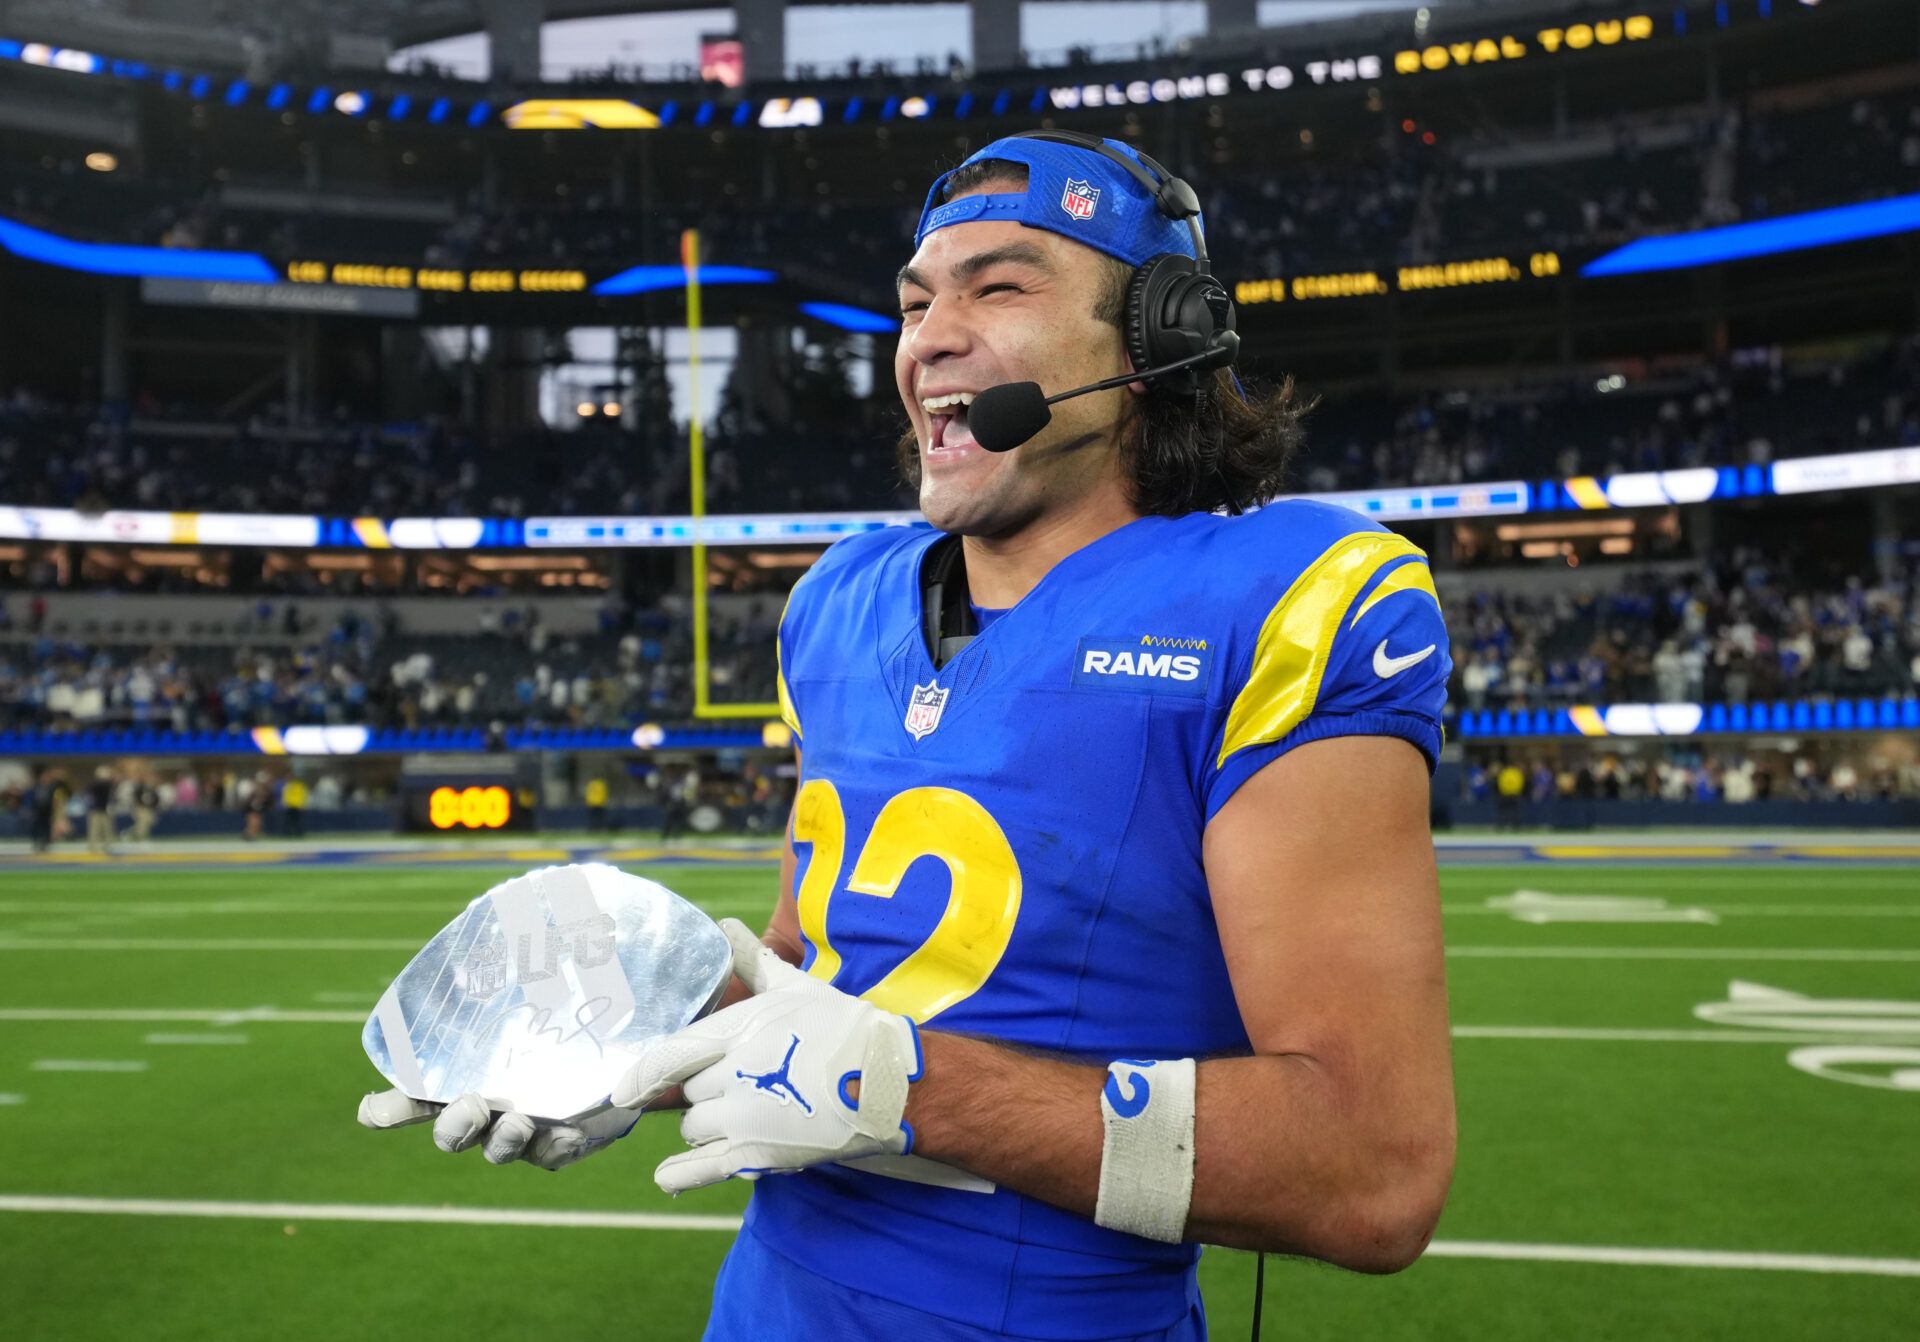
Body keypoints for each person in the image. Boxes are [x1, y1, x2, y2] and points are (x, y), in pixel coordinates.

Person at [361, 133, 1456, 1340]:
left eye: (1000, 286)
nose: (929, 336)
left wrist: (907, 1086)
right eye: (917, 300)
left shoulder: (1283, 596)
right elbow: (809, 981)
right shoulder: (843, 601)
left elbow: (1372, 1173)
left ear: (1157, 341)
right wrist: (630, 1049)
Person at [85, 765, 115, 854]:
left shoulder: (108, 784)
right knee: (94, 830)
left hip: (105, 810)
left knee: (107, 830)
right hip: (95, 810)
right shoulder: (95, 784)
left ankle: (108, 846)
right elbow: (91, 792)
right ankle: (93, 848)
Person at [281, 774, 309, 839]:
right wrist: (285, 803)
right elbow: (285, 795)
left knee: (298, 821)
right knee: (288, 821)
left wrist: (302, 804)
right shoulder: (287, 786)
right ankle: (287, 833)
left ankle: (299, 833)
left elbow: (303, 795)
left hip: (297, 805)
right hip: (290, 805)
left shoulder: (299, 786)